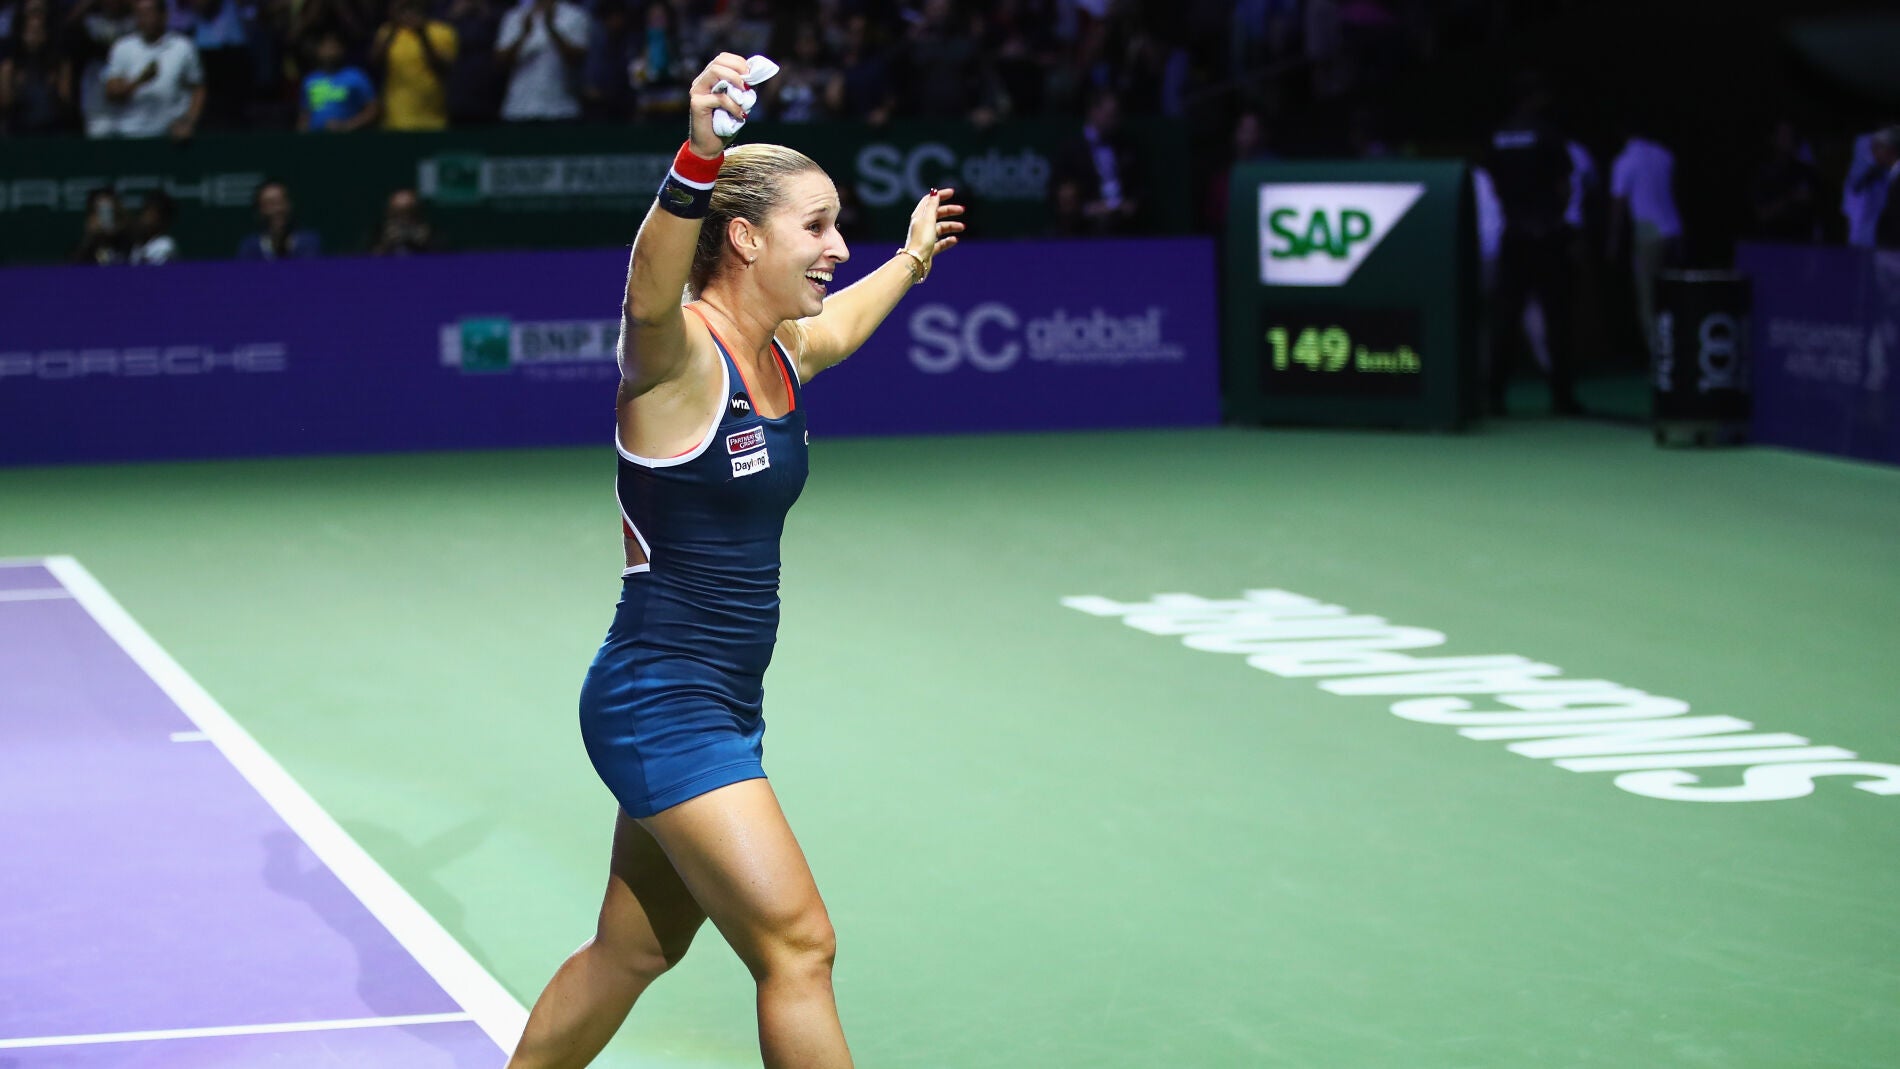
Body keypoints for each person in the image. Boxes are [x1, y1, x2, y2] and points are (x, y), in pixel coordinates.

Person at [504, 52, 964, 1069]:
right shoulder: (673, 364)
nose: (837, 246)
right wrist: (698, 156)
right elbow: (644, 292)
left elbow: (836, 331)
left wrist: (911, 257)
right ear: (745, 236)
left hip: (720, 702)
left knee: (631, 951)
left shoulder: (780, 353)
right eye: (818, 227)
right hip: (659, 703)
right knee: (799, 946)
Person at [1483, 74, 1579, 414]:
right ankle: (1562, 397)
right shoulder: (1548, 134)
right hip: (1547, 235)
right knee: (1557, 317)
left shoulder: (1498, 136)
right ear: (1535, 98)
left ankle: (1495, 396)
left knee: (1506, 317)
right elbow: (1565, 185)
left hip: (1515, 235)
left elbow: (1493, 185)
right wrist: (1554, 217)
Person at [1608, 122, 1683, 363]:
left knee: (1648, 300)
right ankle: (1679, 351)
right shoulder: (1664, 154)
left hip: (1649, 235)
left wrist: (1612, 240)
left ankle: (1659, 360)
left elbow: (1618, 205)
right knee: (1672, 295)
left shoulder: (1624, 161)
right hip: (1674, 231)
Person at [98, 0, 203, 139]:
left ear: (163, 15)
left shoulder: (182, 47)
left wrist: (189, 121)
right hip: (130, 134)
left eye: (148, 13)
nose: (144, 19)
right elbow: (111, 93)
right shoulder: (122, 47)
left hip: (169, 135)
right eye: (139, 14)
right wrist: (140, 81)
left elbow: (198, 88)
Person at [495, 0, 589, 123]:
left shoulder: (575, 15)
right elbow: (500, 62)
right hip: (519, 109)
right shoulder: (514, 16)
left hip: (561, 110)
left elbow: (577, 60)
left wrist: (552, 28)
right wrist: (523, 35)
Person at [370, 0, 455, 131]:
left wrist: (422, 35)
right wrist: (393, 28)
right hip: (395, 121)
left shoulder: (442, 31)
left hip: (433, 120)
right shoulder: (387, 31)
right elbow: (374, 64)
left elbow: (445, 69)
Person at [298, 27, 377, 131]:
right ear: (317, 50)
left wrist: (347, 125)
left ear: (342, 49)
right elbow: (304, 115)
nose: (330, 49)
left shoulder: (356, 76)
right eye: (325, 45)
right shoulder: (310, 80)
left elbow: (373, 109)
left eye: (334, 45)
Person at [236, 178, 322, 258]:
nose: (277, 209)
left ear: (290, 205)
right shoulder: (250, 247)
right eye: (270, 204)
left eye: (281, 202)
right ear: (260, 210)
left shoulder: (309, 242)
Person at [368, 186, 437, 254]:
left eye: (409, 212)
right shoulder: (377, 234)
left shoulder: (431, 233)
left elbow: (443, 259)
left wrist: (426, 244)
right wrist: (385, 244)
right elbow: (364, 260)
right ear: (389, 213)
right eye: (397, 213)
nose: (404, 218)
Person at [128, 188, 177, 263]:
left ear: (163, 219)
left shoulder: (165, 245)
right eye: (146, 211)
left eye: (152, 213)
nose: (146, 217)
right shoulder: (137, 246)